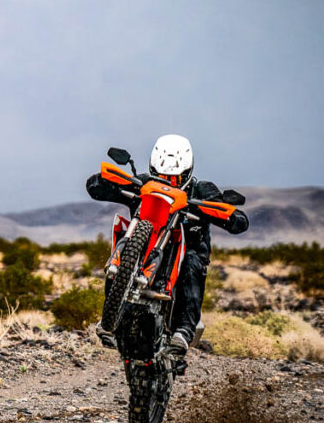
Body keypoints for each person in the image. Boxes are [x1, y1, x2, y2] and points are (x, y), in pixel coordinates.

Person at [85, 134, 249, 359]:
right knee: (123, 233)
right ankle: (110, 317)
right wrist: (105, 182)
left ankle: (183, 331)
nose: (167, 182)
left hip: (187, 247)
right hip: (143, 242)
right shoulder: (143, 183)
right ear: (153, 168)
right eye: (162, 177)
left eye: (174, 179)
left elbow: (238, 220)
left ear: (187, 172)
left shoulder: (202, 190)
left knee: (193, 263)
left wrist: (224, 212)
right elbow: (94, 186)